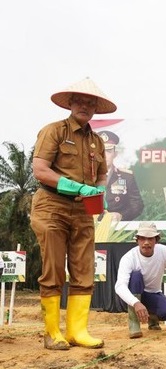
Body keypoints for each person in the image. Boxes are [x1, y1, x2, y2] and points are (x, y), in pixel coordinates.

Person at [30, 77, 117, 350]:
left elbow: (102, 176)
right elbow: (40, 170)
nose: (85, 106)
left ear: (95, 108)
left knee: (83, 269)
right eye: (80, 100)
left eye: (91, 102)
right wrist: (75, 185)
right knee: (54, 267)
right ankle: (52, 332)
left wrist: (96, 192)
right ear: (70, 103)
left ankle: (78, 331)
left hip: (83, 210)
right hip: (51, 205)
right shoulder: (54, 131)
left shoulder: (97, 142)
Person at [115, 222, 166, 338]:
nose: (146, 243)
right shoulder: (129, 258)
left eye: (150, 239)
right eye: (142, 239)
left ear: (156, 240)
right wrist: (136, 303)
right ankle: (134, 325)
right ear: (137, 240)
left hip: (153, 294)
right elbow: (120, 287)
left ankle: (152, 319)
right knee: (136, 275)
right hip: (133, 295)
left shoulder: (163, 251)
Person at [97, 130, 144, 221]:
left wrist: (121, 215)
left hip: (117, 230)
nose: (104, 156)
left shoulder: (127, 177)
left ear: (115, 154)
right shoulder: (84, 177)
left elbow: (137, 205)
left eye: (108, 151)